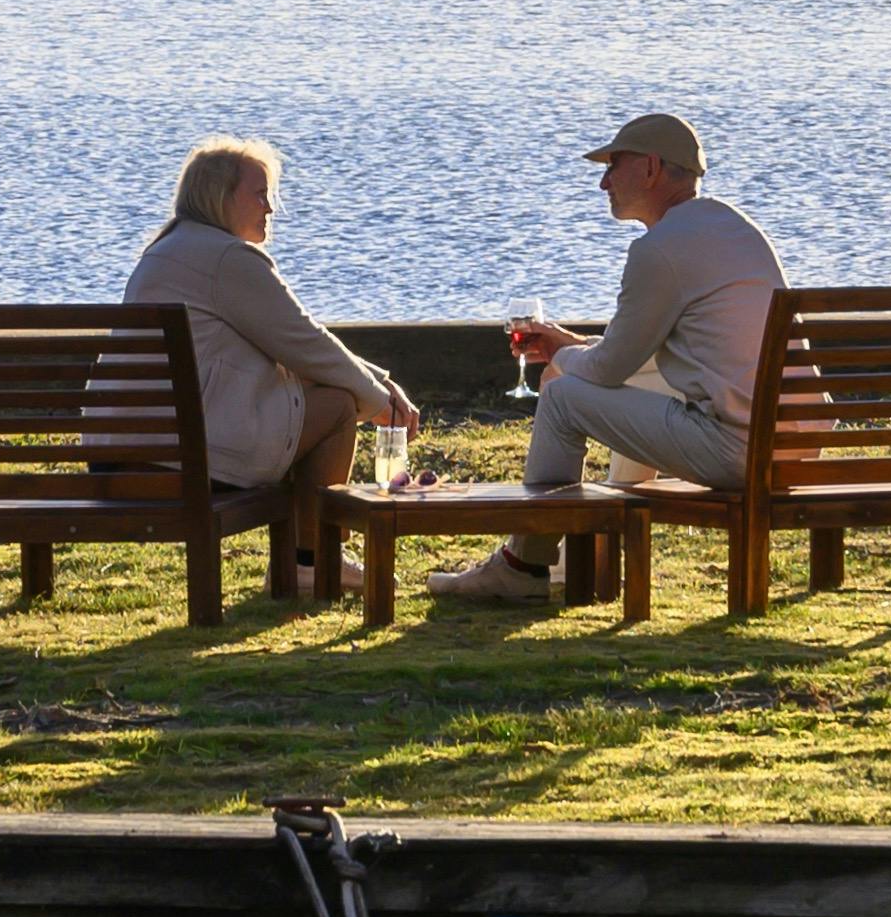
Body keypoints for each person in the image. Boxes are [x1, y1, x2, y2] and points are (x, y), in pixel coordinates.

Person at [432, 109, 778, 605]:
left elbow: (609, 367)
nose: (602, 182)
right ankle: (583, 557)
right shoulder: (734, 229)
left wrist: (558, 360)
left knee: (563, 398)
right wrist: (570, 345)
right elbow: (631, 358)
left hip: (737, 452)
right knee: (631, 382)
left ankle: (524, 564)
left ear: (651, 168)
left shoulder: (659, 250)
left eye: (613, 165)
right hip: (789, 445)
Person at [124, 137, 421, 496]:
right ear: (221, 198)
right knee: (337, 407)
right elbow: (304, 343)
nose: (270, 209)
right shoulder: (227, 259)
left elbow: (292, 344)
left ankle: (308, 549)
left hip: (118, 454)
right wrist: (379, 400)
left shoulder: (163, 252)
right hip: (182, 461)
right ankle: (316, 552)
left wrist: (380, 384)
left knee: (294, 408)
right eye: (259, 195)